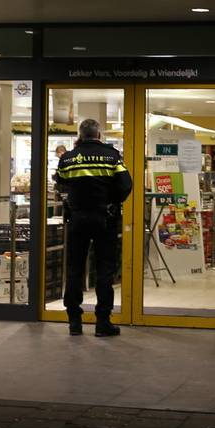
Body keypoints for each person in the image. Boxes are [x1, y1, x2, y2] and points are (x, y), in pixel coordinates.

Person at [54, 119, 132, 337]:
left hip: (77, 219)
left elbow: (60, 183)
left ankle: (74, 322)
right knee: (104, 269)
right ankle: (102, 322)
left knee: (75, 268)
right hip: (104, 219)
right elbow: (126, 185)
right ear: (99, 135)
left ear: (80, 135)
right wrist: (111, 202)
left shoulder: (67, 158)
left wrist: (75, 201)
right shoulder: (111, 156)